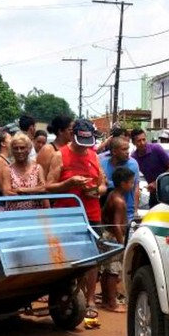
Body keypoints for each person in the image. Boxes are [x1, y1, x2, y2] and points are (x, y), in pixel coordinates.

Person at [46, 118, 106, 316]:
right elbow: (49, 186)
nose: (84, 147)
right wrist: (69, 184)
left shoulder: (94, 156)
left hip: (92, 213)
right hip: (67, 214)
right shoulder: (59, 155)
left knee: (93, 258)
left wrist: (96, 190)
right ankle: (66, 294)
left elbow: (103, 184)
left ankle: (89, 299)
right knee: (67, 258)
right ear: (73, 136)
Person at [98, 166, 134, 313]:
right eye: (131, 182)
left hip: (107, 235)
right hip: (113, 237)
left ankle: (107, 300)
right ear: (123, 183)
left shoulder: (112, 194)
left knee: (107, 270)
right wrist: (122, 244)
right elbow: (117, 225)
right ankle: (112, 303)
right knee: (113, 271)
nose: (132, 185)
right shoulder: (119, 201)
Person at [0, 132, 46, 210]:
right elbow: (7, 193)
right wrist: (35, 191)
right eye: (15, 148)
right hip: (14, 214)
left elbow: (43, 189)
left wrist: (21, 190)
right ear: (12, 150)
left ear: (29, 149)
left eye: (22, 148)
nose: (19, 151)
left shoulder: (37, 168)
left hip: (35, 214)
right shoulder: (7, 170)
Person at [130, 128, 169, 207]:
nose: (142, 143)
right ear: (134, 142)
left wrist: (156, 182)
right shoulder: (134, 158)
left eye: (144, 139)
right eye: (139, 141)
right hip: (153, 194)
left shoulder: (156, 148)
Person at [98, 135, 140, 222]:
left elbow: (130, 186)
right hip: (106, 212)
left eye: (128, 149)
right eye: (124, 149)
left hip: (126, 212)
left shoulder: (132, 164)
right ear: (114, 151)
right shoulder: (103, 163)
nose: (127, 152)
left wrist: (135, 210)